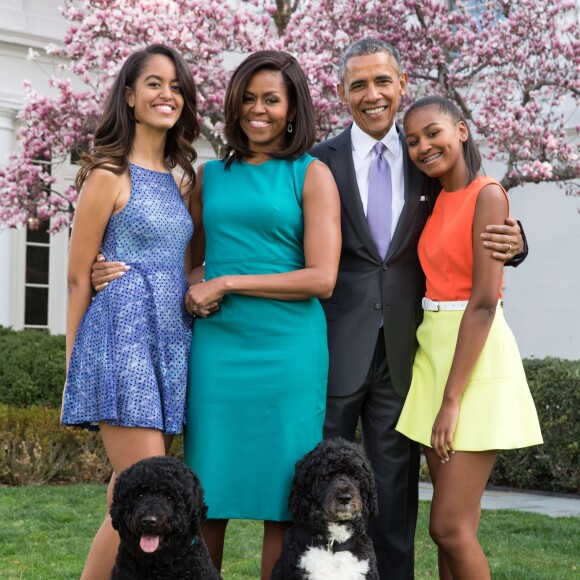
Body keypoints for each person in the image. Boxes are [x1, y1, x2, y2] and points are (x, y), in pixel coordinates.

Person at [310, 38, 528, 580]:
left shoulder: (428, 163)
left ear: (401, 85)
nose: (372, 94)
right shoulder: (318, 163)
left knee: (395, 500)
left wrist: (518, 244)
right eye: (358, 84)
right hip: (337, 347)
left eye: (382, 81)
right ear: (341, 93)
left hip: (410, 355)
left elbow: (477, 218)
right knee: (318, 494)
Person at [182, 50, 341, 579]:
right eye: (248, 98)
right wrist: (190, 286)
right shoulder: (209, 176)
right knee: (205, 496)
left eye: (271, 99)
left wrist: (227, 280)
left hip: (288, 351)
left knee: (284, 501)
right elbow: (184, 261)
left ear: (292, 108)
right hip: (218, 350)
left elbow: (322, 277)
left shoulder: (313, 174)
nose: (258, 110)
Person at [61, 44, 200, 579]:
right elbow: (77, 276)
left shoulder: (181, 178)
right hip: (119, 340)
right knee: (145, 483)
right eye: (154, 84)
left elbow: (185, 264)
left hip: (170, 341)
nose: (168, 95)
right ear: (129, 95)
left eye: (176, 87)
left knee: (126, 496)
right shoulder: (107, 174)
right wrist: (75, 362)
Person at [396, 95, 542, 579]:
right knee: (455, 528)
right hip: (433, 350)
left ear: (461, 130)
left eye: (432, 132)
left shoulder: (489, 194)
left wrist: (452, 400)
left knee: (449, 527)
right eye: (412, 140)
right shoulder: (434, 197)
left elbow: (483, 303)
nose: (423, 146)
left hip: (472, 359)